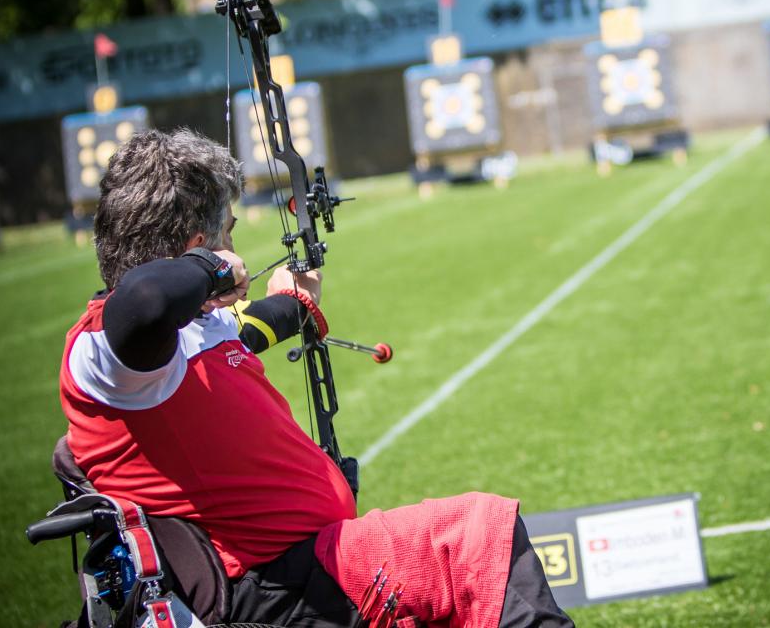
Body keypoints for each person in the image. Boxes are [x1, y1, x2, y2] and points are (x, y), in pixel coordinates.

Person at [59, 128, 573, 627]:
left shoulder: (191, 332)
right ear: (200, 245)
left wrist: (294, 302)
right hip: (269, 590)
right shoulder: (107, 353)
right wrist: (212, 269)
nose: (235, 243)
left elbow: (239, 332)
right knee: (476, 537)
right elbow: (146, 302)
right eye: (229, 230)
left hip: (301, 570)